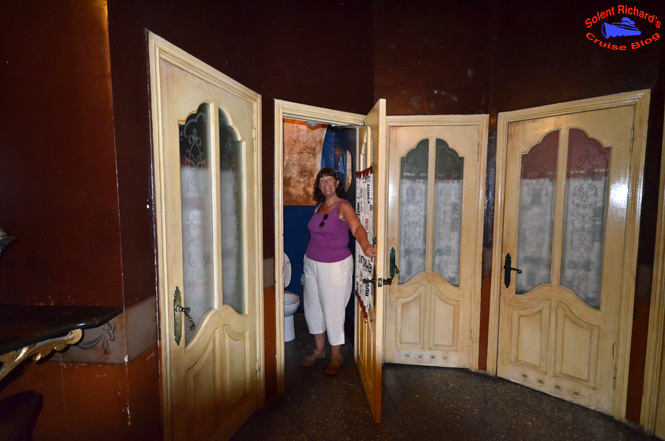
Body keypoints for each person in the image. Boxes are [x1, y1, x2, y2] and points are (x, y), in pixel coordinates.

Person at [301, 167, 377, 375]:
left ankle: (336, 356)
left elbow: (356, 227)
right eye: (322, 181)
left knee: (333, 310)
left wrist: (365, 245)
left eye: (329, 180)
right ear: (319, 186)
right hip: (311, 262)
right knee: (312, 308)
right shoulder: (319, 207)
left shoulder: (343, 206)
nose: (326, 184)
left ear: (337, 184)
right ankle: (319, 350)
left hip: (334, 265)